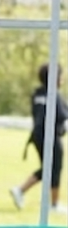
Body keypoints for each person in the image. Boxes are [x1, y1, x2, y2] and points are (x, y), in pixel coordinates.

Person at [10, 62, 67, 211]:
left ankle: (20, 190)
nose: (63, 79)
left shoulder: (38, 94)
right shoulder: (53, 95)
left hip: (37, 135)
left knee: (48, 167)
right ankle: (54, 204)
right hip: (49, 136)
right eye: (61, 75)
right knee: (54, 167)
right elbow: (62, 115)